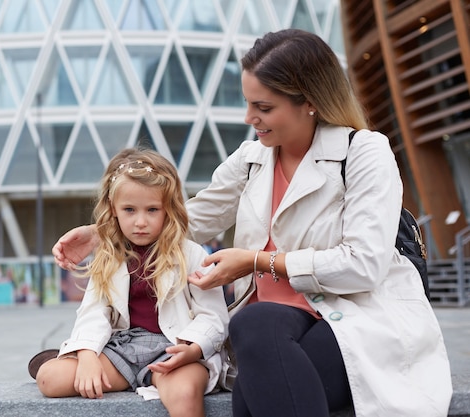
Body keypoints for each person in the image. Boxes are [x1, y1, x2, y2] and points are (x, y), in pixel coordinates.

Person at [51, 29, 452, 417]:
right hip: (267, 331)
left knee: (255, 381)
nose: (250, 118)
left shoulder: (364, 152)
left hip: (351, 320)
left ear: (309, 101)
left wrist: (258, 262)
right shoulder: (252, 158)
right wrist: (103, 232)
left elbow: (362, 265)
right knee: (256, 328)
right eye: (248, 104)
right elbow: (185, 220)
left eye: (263, 108)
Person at [35, 148, 229, 417]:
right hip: (123, 350)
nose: (140, 222)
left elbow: (213, 316)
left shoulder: (191, 254)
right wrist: (89, 354)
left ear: (168, 210)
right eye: (129, 210)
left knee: (185, 395)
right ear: (113, 210)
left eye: (152, 210)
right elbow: (93, 311)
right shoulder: (109, 255)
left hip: (175, 347)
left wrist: (193, 348)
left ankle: (79, 357)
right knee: (49, 378)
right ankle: (74, 355)